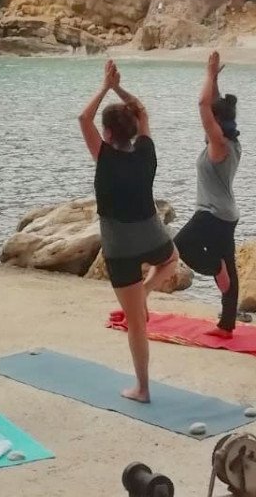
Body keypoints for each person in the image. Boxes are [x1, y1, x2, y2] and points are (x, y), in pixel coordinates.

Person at [79, 60, 181, 404]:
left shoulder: (104, 156)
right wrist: (119, 90)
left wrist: (106, 86)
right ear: (134, 130)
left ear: (107, 134)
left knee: (137, 323)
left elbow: (83, 118)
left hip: (120, 247)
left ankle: (142, 388)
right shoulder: (146, 152)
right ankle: (149, 288)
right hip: (152, 236)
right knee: (173, 260)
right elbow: (141, 110)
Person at [173, 51, 242, 336]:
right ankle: (227, 325)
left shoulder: (219, 146)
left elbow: (203, 105)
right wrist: (214, 78)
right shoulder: (230, 141)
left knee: (181, 245)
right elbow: (212, 105)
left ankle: (215, 268)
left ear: (215, 124)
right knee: (230, 266)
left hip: (211, 214)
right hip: (226, 214)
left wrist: (209, 75)